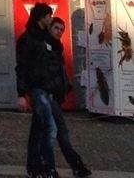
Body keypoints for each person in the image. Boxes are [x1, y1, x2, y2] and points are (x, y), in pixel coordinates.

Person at [16, 2, 64, 178]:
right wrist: (21, 94)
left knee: (38, 130)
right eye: (49, 16)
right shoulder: (27, 39)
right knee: (50, 128)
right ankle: (48, 166)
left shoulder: (45, 37)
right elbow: (21, 67)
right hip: (37, 89)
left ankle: (34, 166)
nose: (51, 19)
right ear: (41, 18)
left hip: (48, 88)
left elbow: (55, 58)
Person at [40, 17, 91, 178]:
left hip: (55, 95)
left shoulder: (57, 46)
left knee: (53, 132)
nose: (59, 32)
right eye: (56, 28)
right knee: (55, 132)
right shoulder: (44, 46)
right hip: (47, 96)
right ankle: (59, 166)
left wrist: (66, 85)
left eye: (62, 29)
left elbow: (59, 71)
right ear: (50, 28)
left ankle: (68, 165)